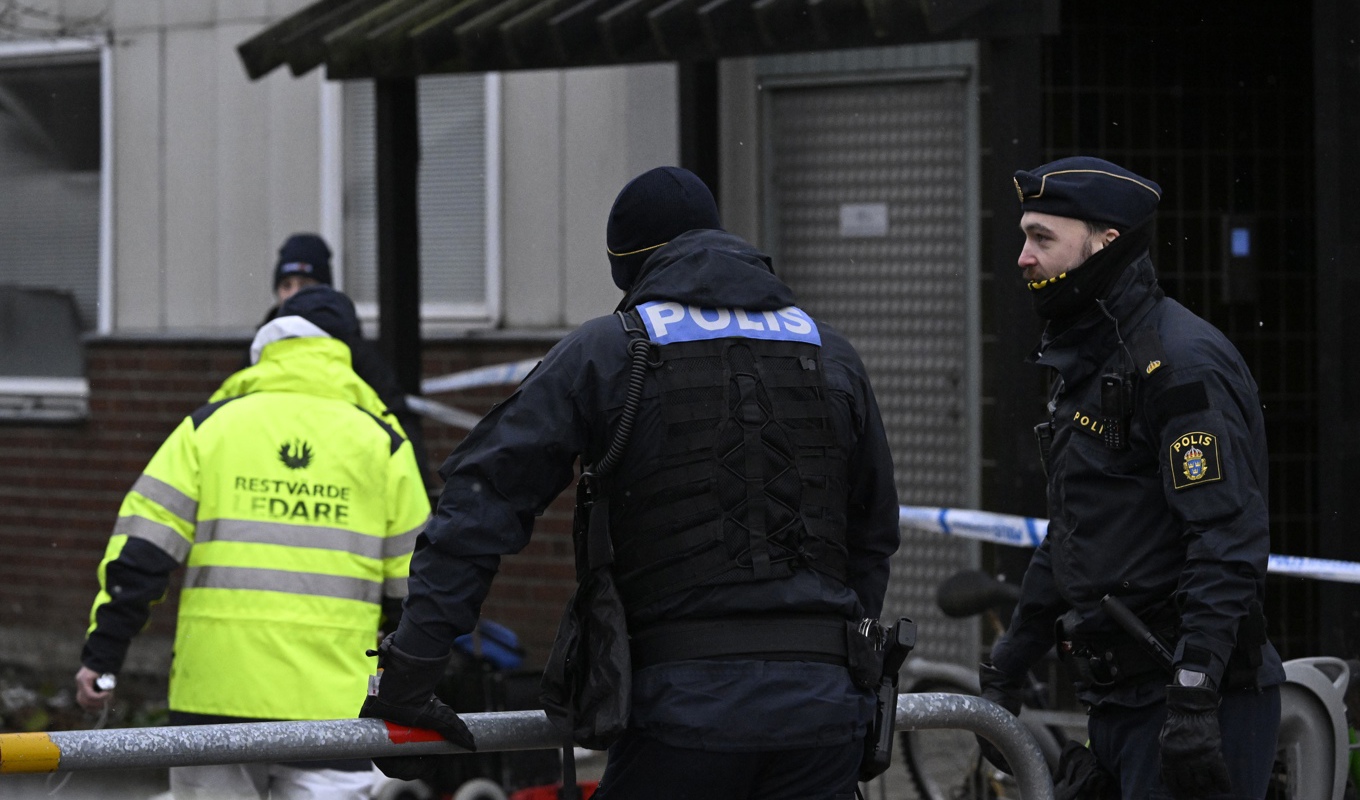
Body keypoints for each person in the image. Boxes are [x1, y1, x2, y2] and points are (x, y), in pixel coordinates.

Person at [358, 166, 902, 799]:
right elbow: (872, 534)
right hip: (823, 720)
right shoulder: (830, 353)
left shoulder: (612, 351)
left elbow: (481, 500)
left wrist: (412, 672)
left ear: (627, 266)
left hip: (682, 715)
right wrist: (842, 668)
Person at [981, 156, 1283, 798]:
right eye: (1024, 237)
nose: (1023, 258)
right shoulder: (1092, 361)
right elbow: (1076, 530)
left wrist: (1194, 693)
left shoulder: (1177, 365)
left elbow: (1226, 538)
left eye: (1041, 238)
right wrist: (1009, 664)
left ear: (1105, 243)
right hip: (1121, 701)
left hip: (1193, 703)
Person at [75, 285, 431, 800]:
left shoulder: (209, 428)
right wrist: (407, 687)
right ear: (346, 351)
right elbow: (415, 590)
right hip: (334, 706)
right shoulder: (384, 445)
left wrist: (104, 655)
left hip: (215, 698)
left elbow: (142, 554)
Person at [257, 233, 432, 488]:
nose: (294, 295)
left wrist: (417, 483)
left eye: (304, 285)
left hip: (341, 477)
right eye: (286, 286)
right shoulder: (262, 347)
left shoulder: (355, 351)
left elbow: (395, 418)